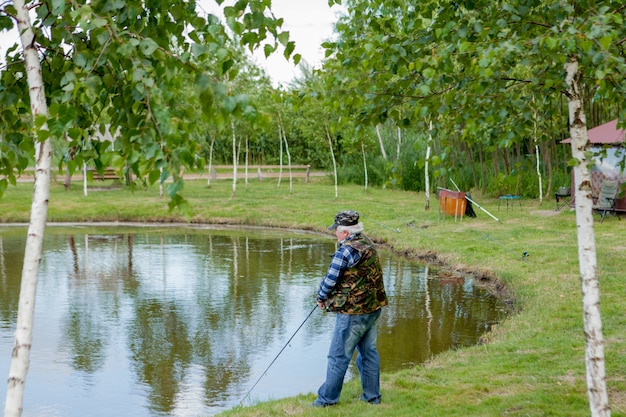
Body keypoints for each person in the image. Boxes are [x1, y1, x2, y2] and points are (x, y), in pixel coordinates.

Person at [312, 210, 388, 407]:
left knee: (338, 356)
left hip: (353, 313)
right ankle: (372, 398)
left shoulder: (345, 251)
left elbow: (330, 280)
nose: (335, 233)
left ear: (345, 232)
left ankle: (327, 401)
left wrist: (321, 298)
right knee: (369, 353)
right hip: (372, 308)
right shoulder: (366, 242)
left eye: (336, 230)